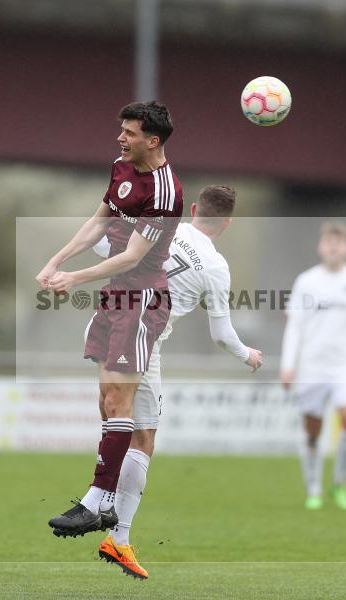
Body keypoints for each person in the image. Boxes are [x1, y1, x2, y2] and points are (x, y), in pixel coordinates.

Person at [93, 184, 263, 579]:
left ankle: (100, 505)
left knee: (114, 423)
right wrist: (247, 354)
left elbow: (105, 249)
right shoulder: (216, 267)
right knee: (142, 438)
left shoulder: (163, 227)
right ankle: (115, 532)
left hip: (106, 325)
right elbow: (221, 334)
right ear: (228, 223)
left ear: (192, 209)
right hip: (142, 343)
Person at [37, 101, 182, 539]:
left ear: (152, 140)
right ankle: (103, 506)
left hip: (141, 299)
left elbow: (135, 256)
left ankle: (97, 502)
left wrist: (74, 278)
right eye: (121, 130)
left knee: (119, 404)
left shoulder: (165, 191)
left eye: (130, 132)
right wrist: (56, 259)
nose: (121, 138)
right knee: (108, 403)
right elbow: (99, 222)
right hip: (114, 294)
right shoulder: (121, 167)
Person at [280, 220, 346, 511]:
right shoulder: (306, 282)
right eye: (329, 242)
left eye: (340, 242)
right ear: (320, 247)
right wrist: (289, 365)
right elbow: (295, 327)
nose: (334, 247)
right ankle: (313, 488)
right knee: (313, 430)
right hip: (311, 366)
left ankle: (338, 483)